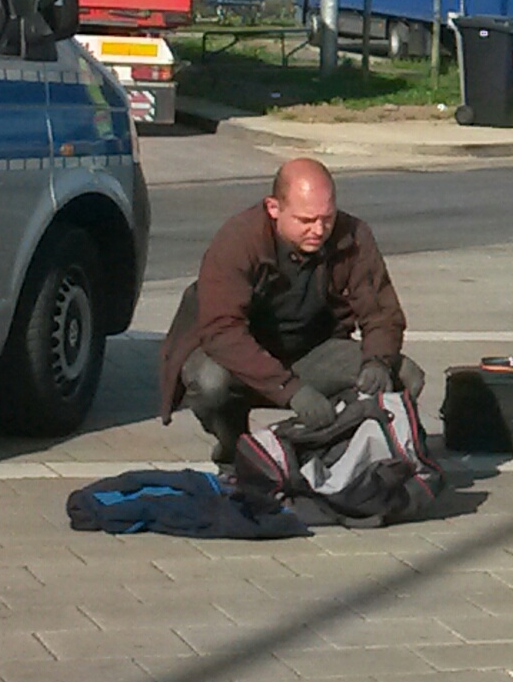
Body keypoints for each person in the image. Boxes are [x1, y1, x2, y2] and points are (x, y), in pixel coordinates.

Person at [158, 159, 419, 465]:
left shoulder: (354, 234)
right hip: (241, 359)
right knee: (209, 383)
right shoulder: (237, 240)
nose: (318, 230)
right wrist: (290, 390)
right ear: (274, 208)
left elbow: (381, 313)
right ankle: (235, 446)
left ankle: (342, 449)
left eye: (327, 218)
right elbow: (221, 331)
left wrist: (377, 362)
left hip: (313, 351)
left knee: (406, 375)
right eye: (305, 220)